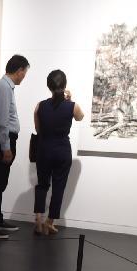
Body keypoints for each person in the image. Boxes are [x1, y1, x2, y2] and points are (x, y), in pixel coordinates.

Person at [0, 54, 30, 240]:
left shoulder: (5, 87)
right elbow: (2, 122)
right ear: (19, 70)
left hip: (2, 139)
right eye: (24, 73)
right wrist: (6, 147)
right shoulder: (3, 87)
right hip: (2, 140)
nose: (24, 77)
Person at [33, 70, 84, 235]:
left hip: (44, 149)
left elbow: (38, 129)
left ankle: (38, 220)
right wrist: (69, 98)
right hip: (62, 151)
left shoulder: (40, 106)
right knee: (58, 187)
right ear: (64, 85)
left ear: (49, 86)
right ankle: (49, 222)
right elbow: (80, 117)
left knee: (42, 184)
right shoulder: (72, 106)